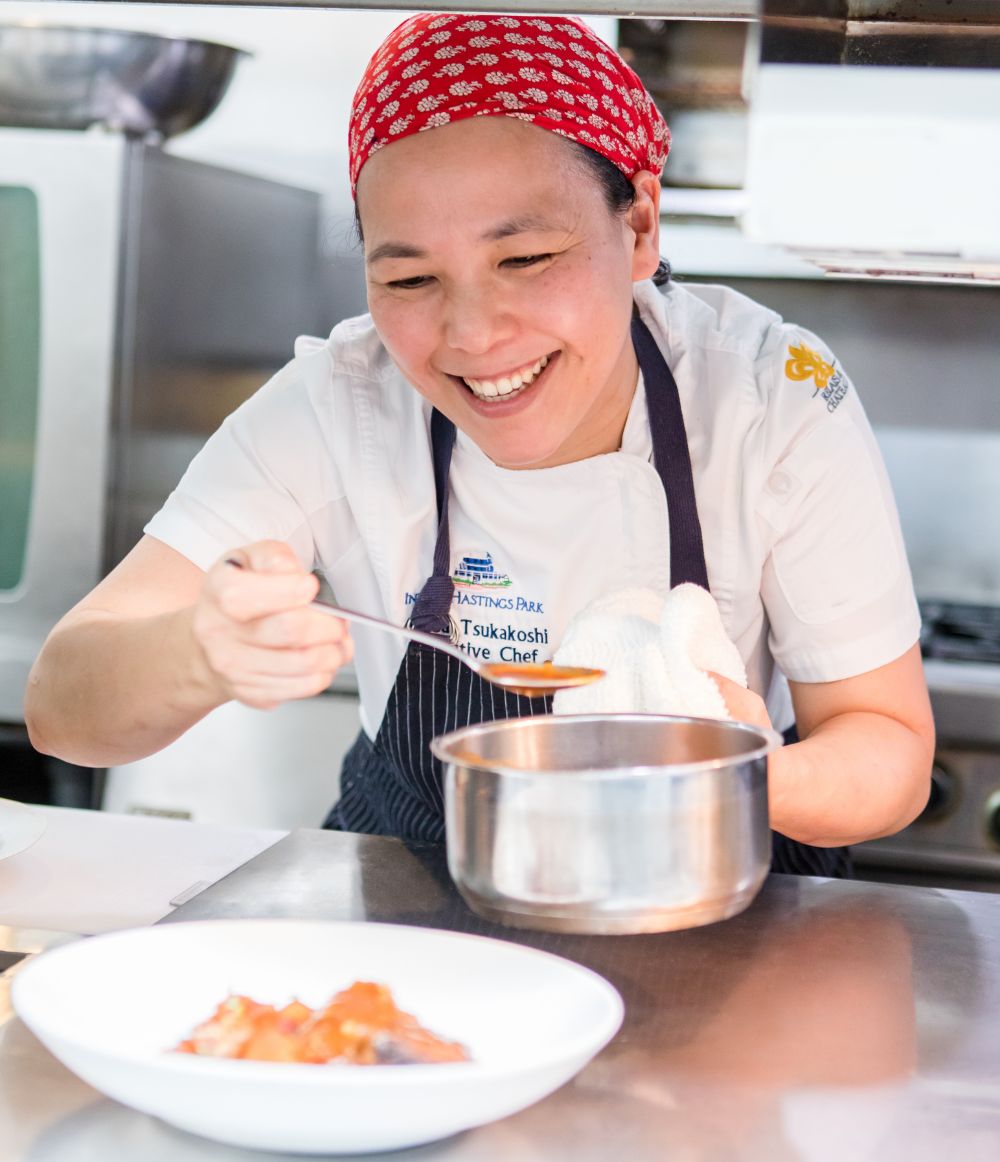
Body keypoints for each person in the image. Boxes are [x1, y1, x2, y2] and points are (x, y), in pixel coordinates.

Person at [25, 13, 935, 875]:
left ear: (641, 225)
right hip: (421, 929)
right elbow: (63, 704)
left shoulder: (771, 401)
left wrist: (733, 773)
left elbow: (885, 746)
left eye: (525, 259)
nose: (471, 334)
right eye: (412, 277)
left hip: (724, 921)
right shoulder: (338, 405)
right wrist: (197, 653)